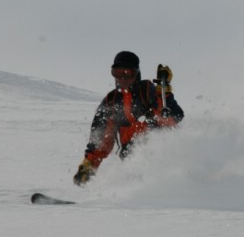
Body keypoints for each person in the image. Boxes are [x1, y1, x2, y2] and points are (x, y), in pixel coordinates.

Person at [73, 51, 184, 185]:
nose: (122, 79)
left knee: (146, 146)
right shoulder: (111, 101)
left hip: (160, 154)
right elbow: (101, 138)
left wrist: (164, 92)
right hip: (131, 159)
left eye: (127, 73)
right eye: (117, 73)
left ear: (136, 74)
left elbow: (173, 118)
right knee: (130, 157)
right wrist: (88, 165)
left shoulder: (148, 91)